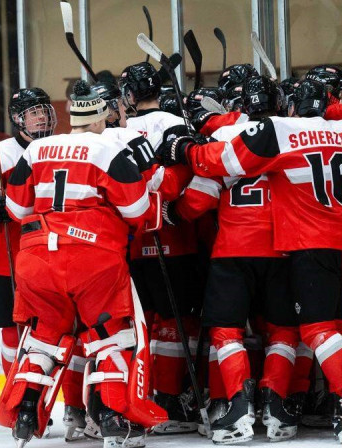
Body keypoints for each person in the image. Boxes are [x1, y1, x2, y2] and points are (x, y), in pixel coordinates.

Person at [157, 78, 342, 443]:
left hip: (301, 246)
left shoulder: (279, 132)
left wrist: (186, 149)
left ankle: (340, 401)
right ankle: (305, 404)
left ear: (292, 107)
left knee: (314, 331)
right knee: (318, 329)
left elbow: (222, 161)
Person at [0, 80, 164, 448]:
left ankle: (25, 412)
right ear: (102, 116)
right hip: (91, 257)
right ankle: (108, 414)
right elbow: (137, 209)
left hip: (36, 257)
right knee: (109, 338)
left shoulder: (36, 149)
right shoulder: (107, 147)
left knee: (43, 339)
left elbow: (16, 209)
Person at [171, 76, 299, 444]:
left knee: (227, 331)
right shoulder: (293, 132)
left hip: (232, 250)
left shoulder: (225, 137)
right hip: (282, 248)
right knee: (283, 330)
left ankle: (237, 410)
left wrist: (174, 214)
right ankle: (277, 409)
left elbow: (201, 196)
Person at [119, 61, 202, 435]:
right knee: (176, 324)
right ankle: (169, 400)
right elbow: (187, 176)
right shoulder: (176, 123)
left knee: (144, 324)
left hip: (134, 241)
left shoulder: (116, 131)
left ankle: (142, 397)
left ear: (130, 95)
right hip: (175, 238)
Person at [0, 87, 57, 407]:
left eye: (44, 111)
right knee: (10, 331)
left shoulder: (62, 147)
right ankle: (14, 393)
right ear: (19, 119)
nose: (41, 118)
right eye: (33, 113)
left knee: (52, 330)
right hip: (6, 258)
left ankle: (55, 397)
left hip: (52, 255)